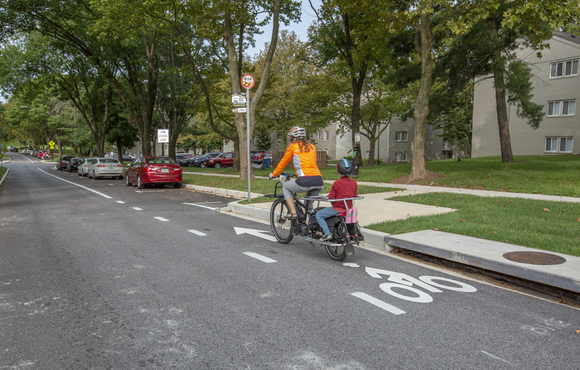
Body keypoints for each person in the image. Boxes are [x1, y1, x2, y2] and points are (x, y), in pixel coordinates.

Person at [269, 126, 324, 219]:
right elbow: (313, 162)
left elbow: (283, 162)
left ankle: (293, 213)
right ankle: (315, 229)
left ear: (292, 137)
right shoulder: (312, 146)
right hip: (318, 181)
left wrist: (274, 174)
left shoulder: (293, 146)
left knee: (286, 186)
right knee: (309, 208)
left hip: (305, 180)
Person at [316, 158, 357, 242]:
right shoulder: (354, 182)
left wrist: (331, 199)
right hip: (348, 209)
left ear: (338, 171)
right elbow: (354, 195)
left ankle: (327, 234)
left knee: (319, 215)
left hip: (337, 209)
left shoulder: (337, 183)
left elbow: (331, 197)